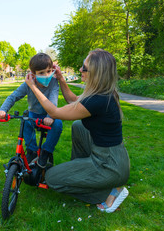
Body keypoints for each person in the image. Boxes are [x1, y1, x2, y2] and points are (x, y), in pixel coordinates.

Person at [25, 49, 130, 213]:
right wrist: (60, 78)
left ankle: (110, 192)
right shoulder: (102, 93)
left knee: (52, 179)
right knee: (79, 126)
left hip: (110, 165)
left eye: (84, 67)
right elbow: (73, 101)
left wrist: (33, 87)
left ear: (96, 73)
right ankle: (83, 174)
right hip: (111, 156)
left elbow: (54, 113)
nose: (80, 70)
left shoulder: (99, 100)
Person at [0, 53, 63, 169]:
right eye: (41, 73)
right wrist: (2, 110)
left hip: (49, 114)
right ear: (33, 74)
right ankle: (31, 151)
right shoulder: (28, 84)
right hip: (34, 114)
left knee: (58, 124)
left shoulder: (53, 82)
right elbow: (14, 96)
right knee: (26, 121)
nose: (46, 75)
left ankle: (46, 152)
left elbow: (53, 100)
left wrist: (50, 116)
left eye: (48, 71)